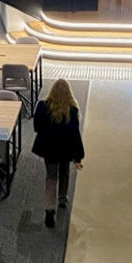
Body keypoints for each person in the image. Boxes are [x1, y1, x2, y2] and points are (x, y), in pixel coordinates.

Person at [32, 78, 85, 228]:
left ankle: (50, 208)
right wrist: (78, 157)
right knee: (64, 172)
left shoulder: (42, 106)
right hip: (65, 150)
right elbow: (75, 135)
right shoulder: (72, 111)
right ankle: (62, 198)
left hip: (49, 149)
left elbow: (36, 127)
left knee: (50, 177)